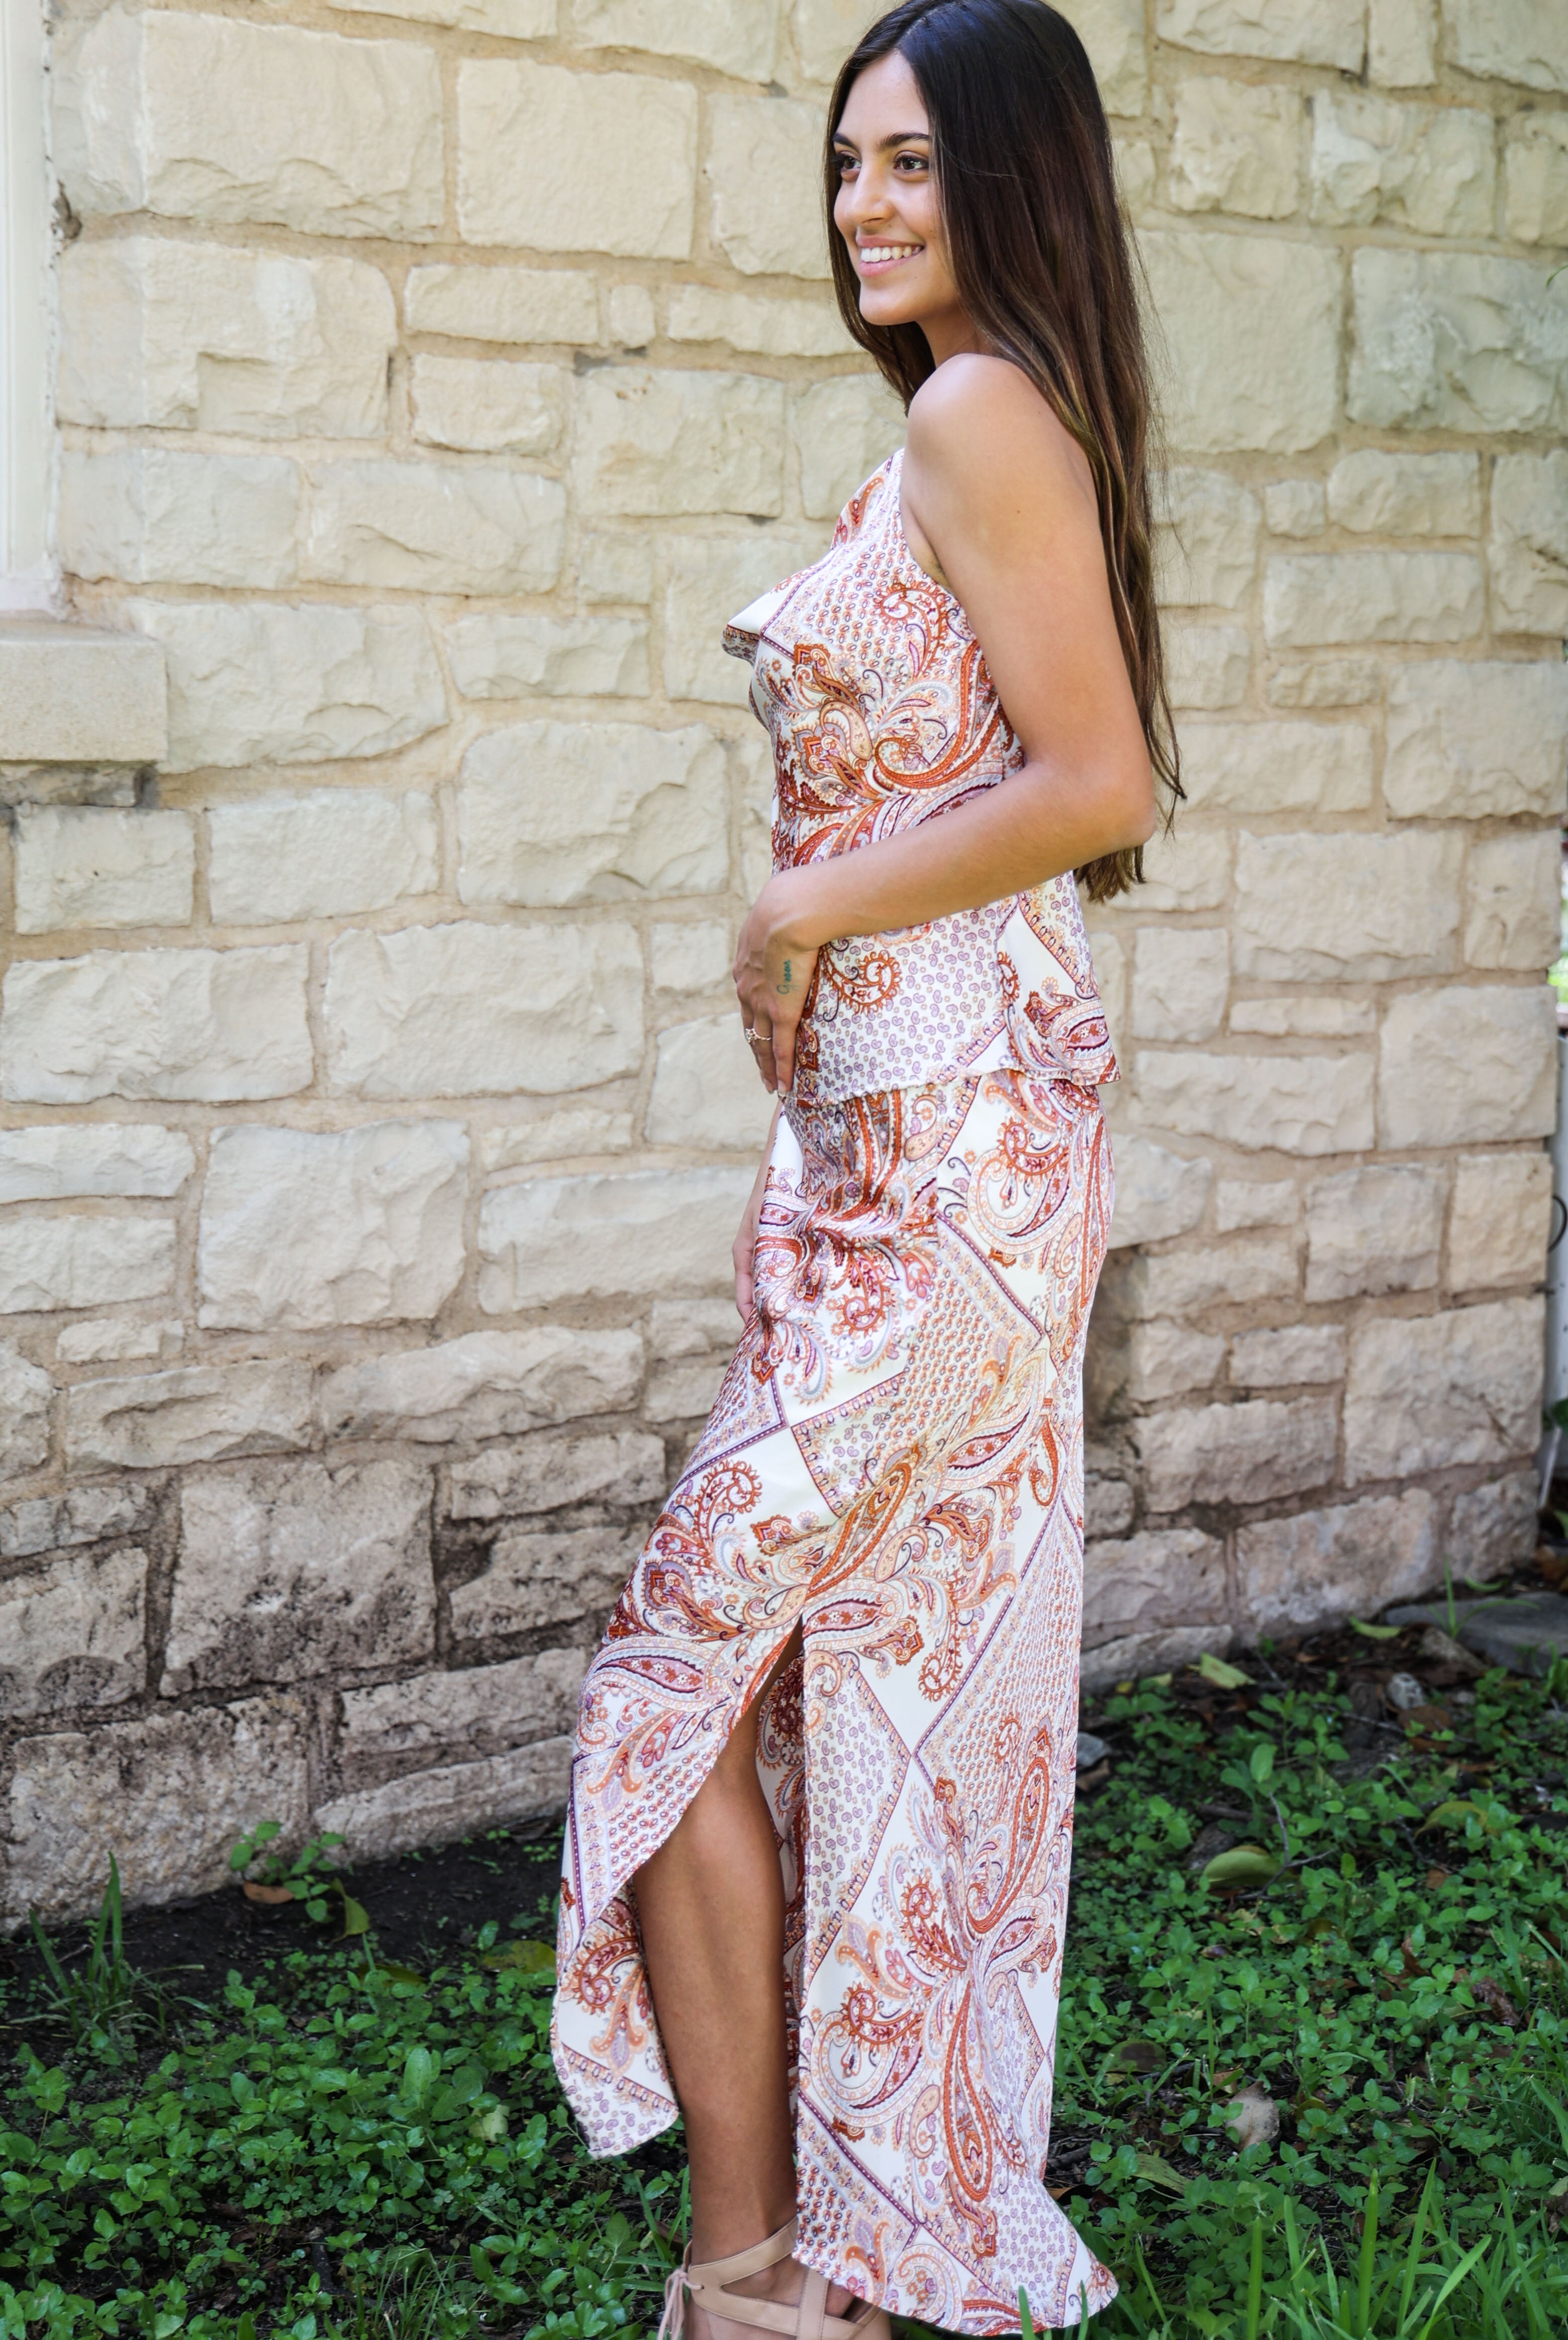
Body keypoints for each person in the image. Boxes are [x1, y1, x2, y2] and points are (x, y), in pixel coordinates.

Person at [552, 2, 1181, 2331]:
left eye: (912, 164)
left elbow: (1098, 780)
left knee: (686, 1671)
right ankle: (801, 2258)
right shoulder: (955, 425)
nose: (867, 209)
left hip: (945, 1191)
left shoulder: (977, 407)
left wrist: (802, 904)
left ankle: (767, 2276)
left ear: (1012, 176)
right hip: (896, 1171)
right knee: (845, 1690)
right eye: (846, 169)